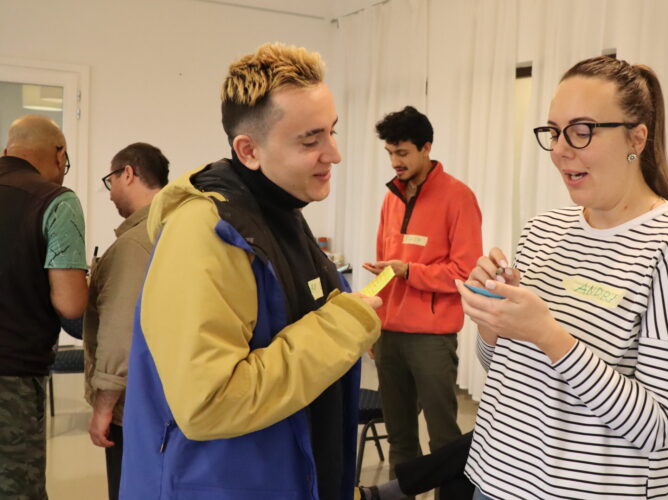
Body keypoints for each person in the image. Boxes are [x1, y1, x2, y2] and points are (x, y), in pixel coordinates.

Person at [456, 56, 668, 499]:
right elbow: (504, 369)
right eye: (554, 131)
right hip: (498, 478)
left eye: (581, 130)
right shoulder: (542, 230)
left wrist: (549, 336)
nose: (561, 149)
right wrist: (492, 322)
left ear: (636, 138)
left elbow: (657, 426)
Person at [119, 43, 382, 500]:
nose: (334, 154)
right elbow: (209, 402)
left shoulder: (279, 212)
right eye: (311, 141)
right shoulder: (204, 233)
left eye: (332, 132)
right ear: (249, 150)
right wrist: (343, 327)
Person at [363, 106, 483, 480]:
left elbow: (464, 273)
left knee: (443, 440)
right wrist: (374, 325)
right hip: (389, 335)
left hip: (431, 339)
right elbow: (386, 270)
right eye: (389, 153)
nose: (394, 162)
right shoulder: (390, 198)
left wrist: (410, 271)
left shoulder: (459, 197)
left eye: (402, 153)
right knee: (399, 439)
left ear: (426, 147)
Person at [0, 114, 88, 499]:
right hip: (12, 376)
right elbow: (71, 303)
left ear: (8, 150)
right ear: (59, 154)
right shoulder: (56, 201)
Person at [82, 142, 169, 500]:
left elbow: (121, 335)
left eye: (110, 181)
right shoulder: (177, 227)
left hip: (136, 407)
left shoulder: (135, 244)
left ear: (128, 174)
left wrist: (104, 408)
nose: (109, 194)